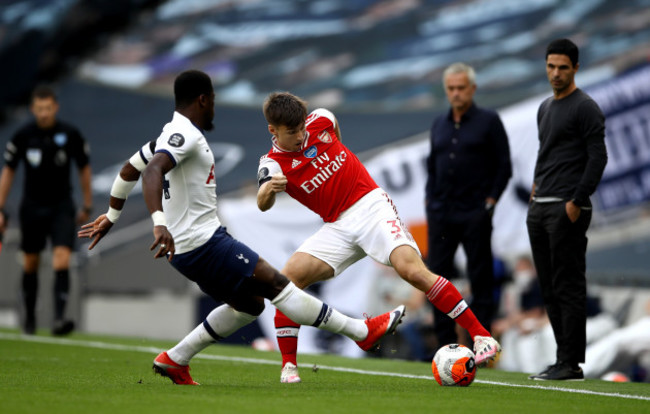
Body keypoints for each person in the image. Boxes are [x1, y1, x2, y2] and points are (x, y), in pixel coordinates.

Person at [78, 70, 404, 386]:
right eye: (214, 100)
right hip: (203, 242)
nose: (215, 107)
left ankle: (175, 358)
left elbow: (128, 169)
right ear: (203, 100)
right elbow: (151, 172)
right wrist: (158, 223)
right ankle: (362, 331)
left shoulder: (168, 135)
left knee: (250, 306)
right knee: (278, 284)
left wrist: (112, 214)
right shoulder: (186, 136)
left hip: (187, 249)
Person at [256, 91, 502, 384]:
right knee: (285, 283)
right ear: (273, 130)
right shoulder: (272, 164)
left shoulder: (321, 120)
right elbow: (262, 202)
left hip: (370, 206)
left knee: (411, 270)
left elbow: (334, 132)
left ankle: (482, 336)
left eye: (301, 128)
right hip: (337, 226)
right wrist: (269, 190)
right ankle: (289, 367)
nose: (300, 136)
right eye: (292, 132)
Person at [526, 39, 608, 381]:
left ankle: (571, 363)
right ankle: (562, 359)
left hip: (566, 208)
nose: (555, 73)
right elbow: (548, 154)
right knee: (548, 286)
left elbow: (598, 157)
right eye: (550, 66)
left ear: (575, 68)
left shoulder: (585, 107)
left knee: (568, 284)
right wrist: (534, 188)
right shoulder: (545, 107)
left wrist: (576, 200)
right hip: (540, 207)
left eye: (562, 67)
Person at [425, 62, 512, 349]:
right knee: (436, 281)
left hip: (475, 212)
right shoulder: (439, 123)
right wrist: (430, 202)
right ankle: (446, 347)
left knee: (481, 278)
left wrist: (489, 203)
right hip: (442, 215)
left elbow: (504, 167)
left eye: (461, 87)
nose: (456, 93)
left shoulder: (488, 121)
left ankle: (482, 343)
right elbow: (432, 167)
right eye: (451, 88)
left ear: (472, 89)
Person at [0, 85, 92, 335]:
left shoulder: (70, 134)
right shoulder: (22, 136)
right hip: (31, 207)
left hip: (62, 206)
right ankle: (29, 317)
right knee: (31, 263)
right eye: (39, 109)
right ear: (33, 109)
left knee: (61, 258)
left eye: (47, 108)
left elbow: (84, 167)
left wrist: (86, 203)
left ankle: (59, 319)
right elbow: (8, 171)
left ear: (55, 107)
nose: (43, 113)